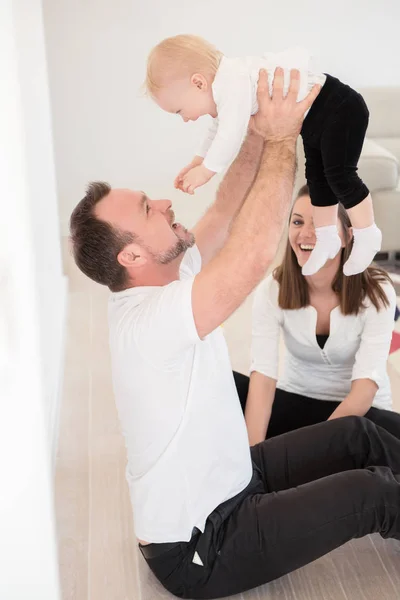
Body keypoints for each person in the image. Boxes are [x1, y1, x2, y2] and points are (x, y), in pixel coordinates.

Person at [69, 71, 400, 600]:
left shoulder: (166, 272)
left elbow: (226, 209)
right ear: (130, 257)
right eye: (148, 210)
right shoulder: (147, 321)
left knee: (359, 436)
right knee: (373, 494)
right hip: (204, 543)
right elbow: (249, 256)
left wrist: (252, 120)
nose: (165, 203)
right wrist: (279, 136)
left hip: (237, 476)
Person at [146, 34, 382, 277]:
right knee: (317, 178)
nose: (184, 118)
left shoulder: (232, 83)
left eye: (179, 111)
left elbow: (230, 135)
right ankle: (326, 237)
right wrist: (198, 160)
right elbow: (216, 131)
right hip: (313, 121)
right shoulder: (223, 92)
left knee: (339, 175)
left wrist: (207, 171)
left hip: (338, 107)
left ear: (198, 83)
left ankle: (367, 234)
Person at [239, 184, 399, 446]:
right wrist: (254, 457)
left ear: (348, 237)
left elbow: (365, 389)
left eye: (320, 226)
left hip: (360, 415)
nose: (305, 233)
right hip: (298, 400)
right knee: (231, 387)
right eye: (297, 221)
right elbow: (264, 376)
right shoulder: (272, 289)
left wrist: (312, 449)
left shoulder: (376, 290)